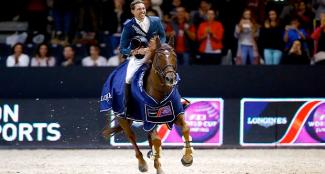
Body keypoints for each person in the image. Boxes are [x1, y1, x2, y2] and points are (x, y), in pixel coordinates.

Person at [124, 36, 157, 114]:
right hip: (136, 64)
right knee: (128, 79)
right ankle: (127, 106)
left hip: (146, 66)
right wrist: (151, 49)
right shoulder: (138, 50)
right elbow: (144, 55)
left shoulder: (147, 48)